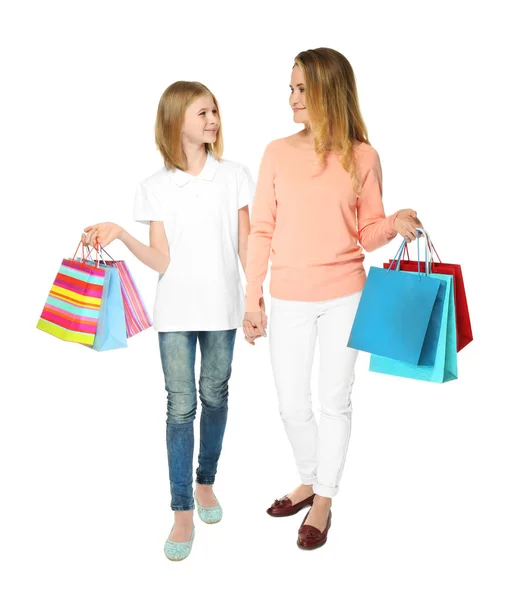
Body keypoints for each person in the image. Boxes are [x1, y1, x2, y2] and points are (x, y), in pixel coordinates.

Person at [242, 48, 423, 551]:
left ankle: (322, 498)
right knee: (291, 404)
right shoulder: (277, 152)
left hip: (346, 294)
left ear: (329, 91)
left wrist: (394, 223)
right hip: (289, 295)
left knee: (334, 400)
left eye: (302, 88)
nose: (293, 98)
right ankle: (309, 477)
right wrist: (252, 297)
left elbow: (367, 232)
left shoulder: (362, 156)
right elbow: (261, 229)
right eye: (291, 88)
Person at [82, 81, 255, 561]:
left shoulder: (236, 175)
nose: (212, 120)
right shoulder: (154, 187)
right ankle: (182, 510)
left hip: (223, 309)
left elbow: (246, 247)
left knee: (215, 396)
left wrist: (256, 301)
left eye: (214, 111)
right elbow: (161, 261)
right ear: (176, 119)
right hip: (175, 314)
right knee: (180, 409)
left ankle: (206, 483)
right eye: (202, 113)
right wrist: (119, 234)